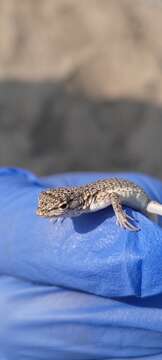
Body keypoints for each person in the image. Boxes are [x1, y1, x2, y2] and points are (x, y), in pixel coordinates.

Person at [1, 168, 162, 359]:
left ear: (74, 202)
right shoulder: (78, 203)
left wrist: (119, 214)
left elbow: (112, 195)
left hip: (143, 200)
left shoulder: (93, 200)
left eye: (61, 206)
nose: (43, 213)